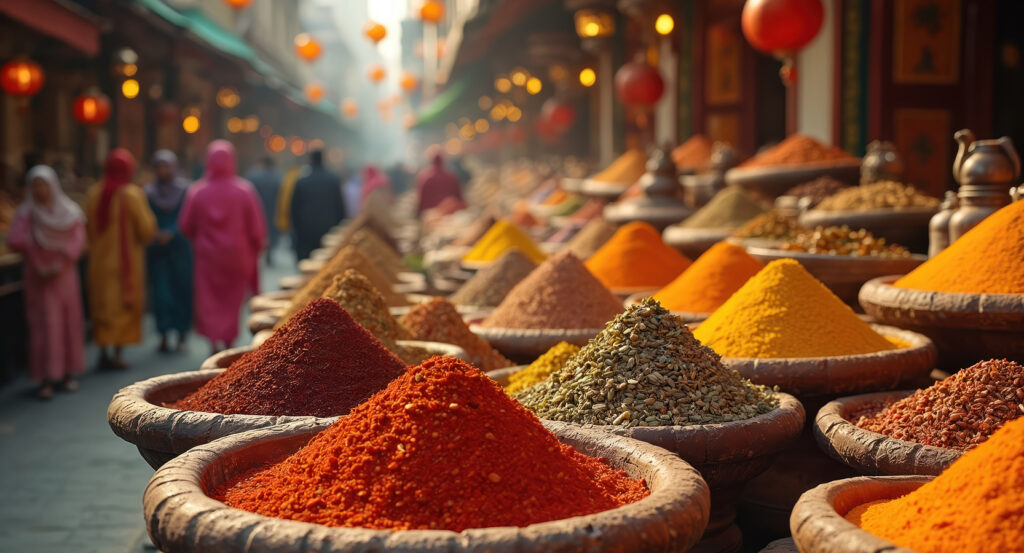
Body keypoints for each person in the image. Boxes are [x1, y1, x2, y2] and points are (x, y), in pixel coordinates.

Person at [179, 140, 266, 354]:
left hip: (208, 258)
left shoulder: (196, 191)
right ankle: (229, 341)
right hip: (237, 256)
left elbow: (185, 226)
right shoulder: (245, 190)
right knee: (232, 299)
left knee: (210, 299)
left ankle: (214, 343)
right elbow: (257, 229)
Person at [7, 166, 87, 399]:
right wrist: (38, 263)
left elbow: (78, 239)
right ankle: (46, 378)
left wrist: (60, 261)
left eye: (43, 184)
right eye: (35, 185)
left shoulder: (69, 211)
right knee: (43, 325)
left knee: (67, 321)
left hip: (64, 275)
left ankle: (68, 373)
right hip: (38, 276)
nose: (40, 190)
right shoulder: (26, 213)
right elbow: (16, 240)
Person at [86, 149, 157, 370]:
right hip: (126, 264)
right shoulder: (132, 194)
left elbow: (87, 227)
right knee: (122, 306)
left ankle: (104, 351)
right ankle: (117, 353)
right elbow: (146, 230)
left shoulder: (94, 193)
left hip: (99, 262)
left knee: (103, 304)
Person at [144, 150, 193, 353]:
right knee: (161, 294)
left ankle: (181, 335)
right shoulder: (147, 192)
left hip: (180, 248)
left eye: (166, 166)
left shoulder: (185, 191)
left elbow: (189, 216)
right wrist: (155, 233)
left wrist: (173, 232)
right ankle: (163, 335)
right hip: (158, 251)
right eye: (159, 166)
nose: (163, 170)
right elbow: (144, 218)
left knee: (182, 291)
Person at [290, 149, 344, 261]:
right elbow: (340, 206)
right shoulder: (333, 180)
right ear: (323, 159)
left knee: (306, 261)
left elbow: (294, 208)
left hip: (306, 229)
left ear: (310, 160)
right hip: (328, 228)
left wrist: (295, 228)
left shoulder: (302, 181)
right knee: (325, 264)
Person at [245, 156, 282, 265]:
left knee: (260, 231)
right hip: (273, 208)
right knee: (271, 232)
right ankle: (269, 252)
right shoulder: (277, 177)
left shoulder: (253, 176)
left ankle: (260, 252)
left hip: (258, 208)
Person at [416, 147, 464, 214]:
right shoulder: (452, 176)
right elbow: (459, 198)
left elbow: (421, 201)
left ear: (430, 160)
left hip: (430, 213)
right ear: (443, 160)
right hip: (451, 214)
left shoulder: (423, 177)